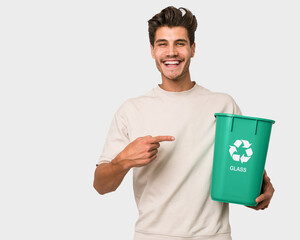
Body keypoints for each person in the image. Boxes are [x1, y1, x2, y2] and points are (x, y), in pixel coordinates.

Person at [93, 6, 274, 240]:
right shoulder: (131, 110)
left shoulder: (223, 106)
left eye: (180, 43)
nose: (171, 52)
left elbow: (245, 174)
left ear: (193, 49)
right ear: (152, 50)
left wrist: (259, 193)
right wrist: (123, 160)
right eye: (162, 44)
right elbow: (100, 185)